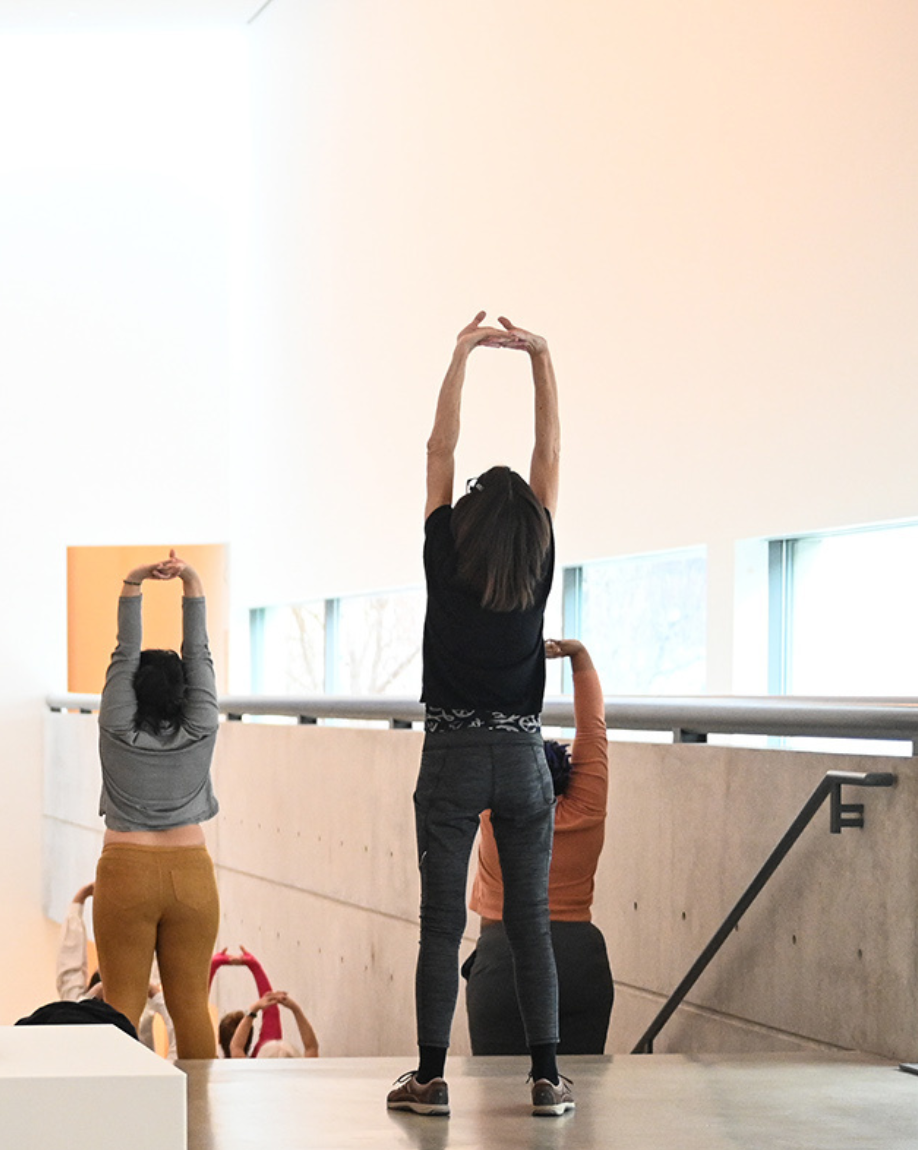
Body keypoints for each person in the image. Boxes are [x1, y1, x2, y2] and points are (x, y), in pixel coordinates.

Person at [388, 312, 570, 1119]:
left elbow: (438, 450)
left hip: (453, 751)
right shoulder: (537, 557)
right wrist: (541, 359)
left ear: (464, 519)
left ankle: (429, 1079)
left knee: (440, 924)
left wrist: (460, 353)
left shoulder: (443, 555)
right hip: (526, 756)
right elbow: (550, 453)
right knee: (528, 922)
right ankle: (546, 1079)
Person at [93, 552, 222, 1060]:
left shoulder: (117, 729)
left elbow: (124, 655)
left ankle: (121, 1120)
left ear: (131, 692)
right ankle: (201, 1119)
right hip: (192, 872)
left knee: (121, 1006)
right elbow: (201, 655)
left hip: (126, 870)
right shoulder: (201, 727)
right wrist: (190, 580)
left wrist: (133, 582)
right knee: (190, 1003)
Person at [466, 638, 613, 1055]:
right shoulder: (588, 808)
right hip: (580, 961)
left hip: (505, 959)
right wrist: (579, 655)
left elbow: (491, 726)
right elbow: (593, 727)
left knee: (500, 1100)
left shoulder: (501, 816)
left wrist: (504, 659)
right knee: (577, 1096)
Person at [57, 882, 170, 1055]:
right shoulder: (140, 1017)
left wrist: (80, 899)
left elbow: (69, 966)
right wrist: (152, 992)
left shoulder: (77, 1015)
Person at [227, 990, 321, 1058]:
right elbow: (311, 1048)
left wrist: (253, 1009)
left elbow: (236, 1047)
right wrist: (296, 1010)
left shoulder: (253, 1080)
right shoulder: (303, 1079)